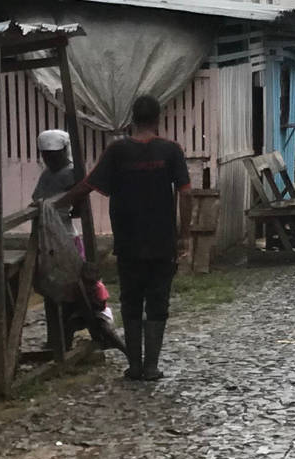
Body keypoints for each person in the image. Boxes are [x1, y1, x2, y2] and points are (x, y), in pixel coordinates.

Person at [58, 95, 188, 382]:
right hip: (162, 241)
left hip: (128, 241)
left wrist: (56, 205)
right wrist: (183, 236)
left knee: (131, 300)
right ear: (157, 119)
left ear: (132, 119)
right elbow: (185, 193)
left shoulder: (117, 152)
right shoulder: (171, 151)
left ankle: (135, 366)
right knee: (157, 301)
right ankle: (151, 366)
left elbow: (88, 185)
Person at [32, 129, 113, 341]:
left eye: (54, 154)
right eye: (47, 155)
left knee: (72, 284)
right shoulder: (47, 175)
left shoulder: (71, 173)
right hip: (49, 237)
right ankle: (60, 335)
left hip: (66, 236)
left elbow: (78, 205)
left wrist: (56, 206)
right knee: (56, 286)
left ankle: (82, 323)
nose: (50, 159)